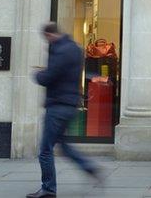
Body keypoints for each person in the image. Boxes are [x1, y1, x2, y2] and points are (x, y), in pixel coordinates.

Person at [28, 23, 101, 198]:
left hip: (58, 105)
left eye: (46, 38)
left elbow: (50, 76)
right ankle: (89, 167)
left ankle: (48, 189)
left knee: (45, 150)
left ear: (49, 35)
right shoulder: (75, 48)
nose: (47, 42)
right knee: (64, 146)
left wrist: (38, 75)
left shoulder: (60, 51)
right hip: (70, 104)